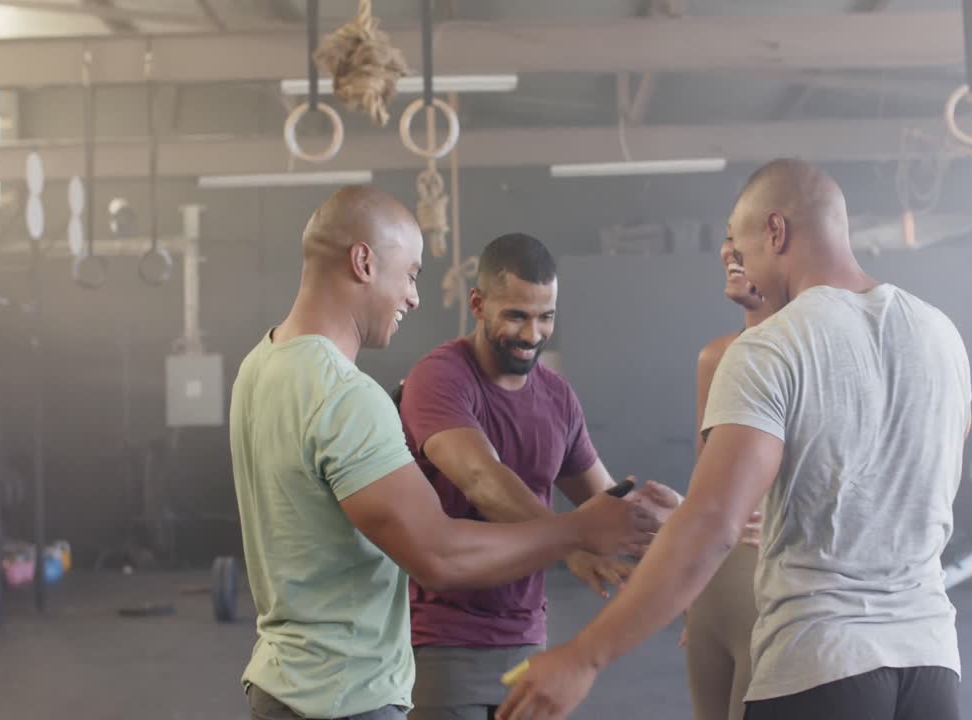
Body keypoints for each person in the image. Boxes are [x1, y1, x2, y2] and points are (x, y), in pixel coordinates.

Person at [498, 158, 972, 720]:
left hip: (820, 664)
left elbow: (713, 525)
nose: (735, 259)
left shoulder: (774, 345)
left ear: (776, 231)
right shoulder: (941, 334)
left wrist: (585, 655)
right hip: (932, 664)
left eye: (740, 244)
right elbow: (896, 493)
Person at [228, 187, 659, 720]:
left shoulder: (260, 365)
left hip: (283, 686)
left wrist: (695, 525)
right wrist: (575, 534)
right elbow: (439, 555)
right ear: (364, 262)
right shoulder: (349, 394)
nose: (413, 297)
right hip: (346, 697)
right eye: (409, 275)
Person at [397, 232, 677, 720]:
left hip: (528, 641)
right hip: (441, 642)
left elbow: (606, 501)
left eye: (546, 317)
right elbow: (484, 481)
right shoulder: (438, 379)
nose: (532, 334)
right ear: (478, 304)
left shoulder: (557, 397)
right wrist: (574, 542)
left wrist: (680, 530)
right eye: (517, 316)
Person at [683, 238, 771, 720]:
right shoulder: (716, 358)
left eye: (744, 237)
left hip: (778, 590)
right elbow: (705, 488)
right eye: (727, 236)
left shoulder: (817, 355)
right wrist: (687, 586)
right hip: (715, 591)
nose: (727, 251)